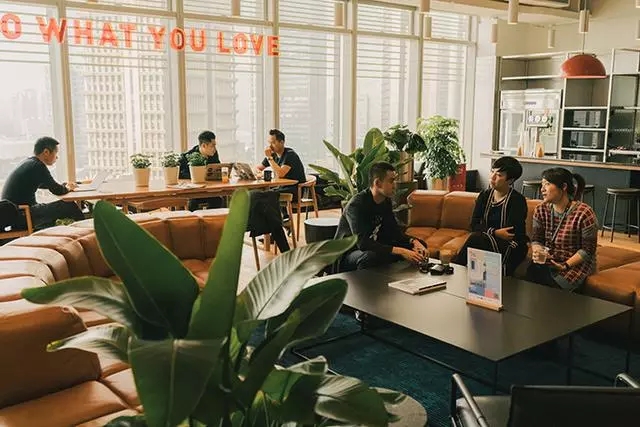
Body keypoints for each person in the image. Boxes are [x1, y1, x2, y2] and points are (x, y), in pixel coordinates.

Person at [335, 161, 428, 272]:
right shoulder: (356, 205)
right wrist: (402, 251)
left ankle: (405, 279)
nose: (395, 185)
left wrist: (414, 241)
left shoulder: (385, 202)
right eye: (391, 181)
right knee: (371, 257)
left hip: (375, 247)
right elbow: (363, 243)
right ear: (378, 183)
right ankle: (366, 283)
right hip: (350, 253)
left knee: (419, 247)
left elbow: (395, 233)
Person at [452, 156, 528, 276]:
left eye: (499, 175)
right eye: (492, 171)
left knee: (476, 238)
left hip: (513, 244)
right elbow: (474, 224)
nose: (492, 177)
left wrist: (486, 231)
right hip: (486, 239)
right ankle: (456, 270)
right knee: (477, 238)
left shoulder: (517, 200)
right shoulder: (485, 195)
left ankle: (454, 269)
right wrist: (494, 232)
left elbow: (509, 233)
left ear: (510, 180)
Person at [526, 168, 597, 292]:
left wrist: (565, 265)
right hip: (550, 260)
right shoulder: (541, 209)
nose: (542, 189)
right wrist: (538, 251)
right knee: (531, 275)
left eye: (547, 184)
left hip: (575, 264)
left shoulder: (584, 212)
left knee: (554, 286)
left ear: (563, 187)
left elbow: (588, 250)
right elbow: (537, 239)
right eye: (542, 184)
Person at [1, 137, 84, 230]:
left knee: (53, 211)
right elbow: (57, 190)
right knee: (69, 205)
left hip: (17, 214)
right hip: (23, 214)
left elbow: (47, 184)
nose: (57, 157)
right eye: (56, 153)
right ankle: (86, 232)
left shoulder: (29, 163)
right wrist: (67, 188)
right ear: (46, 152)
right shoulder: (38, 166)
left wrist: (65, 185)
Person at [179, 130, 223, 211]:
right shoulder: (187, 156)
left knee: (218, 200)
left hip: (209, 190)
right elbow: (179, 175)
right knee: (193, 203)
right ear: (204, 145)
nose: (215, 149)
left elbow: (217, 168)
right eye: (212, 146)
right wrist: (196, 176)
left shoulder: (213, 154)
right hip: (193, 192)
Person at [256, 129, 306, 200]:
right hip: (281, 187)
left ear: (282, 142)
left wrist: (269, 157)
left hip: (294, 190)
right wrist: (258, 173)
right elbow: (258, 168)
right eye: (269, 143)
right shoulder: (273, 155)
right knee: (256, 193)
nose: (270, 146)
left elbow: (280, 174)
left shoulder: (290, 155)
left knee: (262, 195)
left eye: (273, 143)